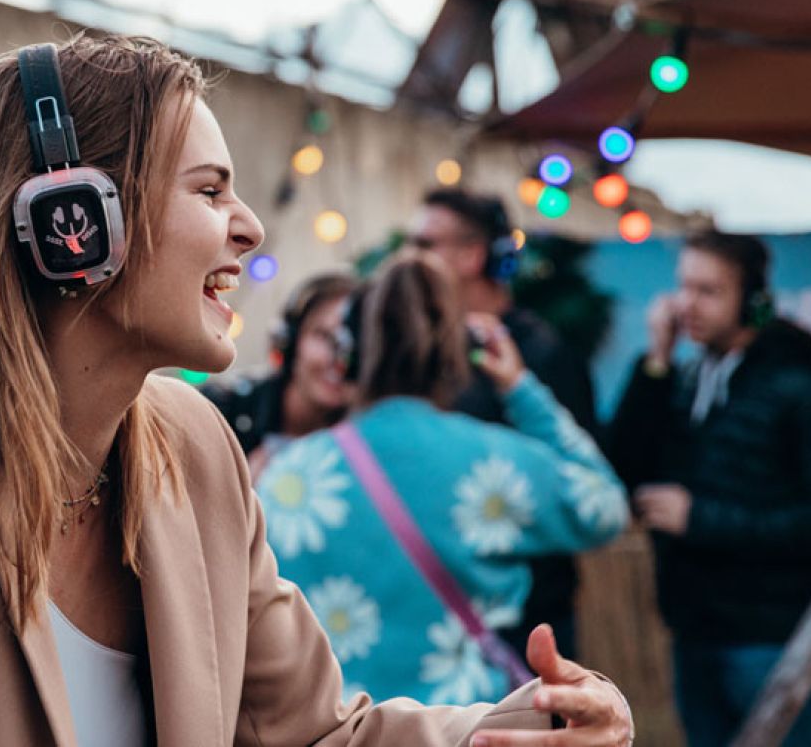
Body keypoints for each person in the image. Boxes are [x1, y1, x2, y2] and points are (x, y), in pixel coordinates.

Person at [0, 35, 633, 746]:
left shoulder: (196, 450)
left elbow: (309, 733)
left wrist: (495, 732)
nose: (249, 227)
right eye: (210, 191)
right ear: (70, 227)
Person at [256, 250, 628, 707]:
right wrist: (519, 388)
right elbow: (605, 505)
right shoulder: (494, 465)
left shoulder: (286, 479)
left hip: (337, 729)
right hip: (465, 727)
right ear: (459, 352)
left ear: (349, 355)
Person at [605, 228, 811, 747]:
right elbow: (625, 467)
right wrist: (655, 363)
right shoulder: (686, 376)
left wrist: (699, 519)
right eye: (683, 287)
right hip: (695, 629)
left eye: (708, 291)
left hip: (774, 637)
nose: (688, 305)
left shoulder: (804, 386)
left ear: (752, 301)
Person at [408, 189, 599, 659]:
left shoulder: (543, 354)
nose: (410, 258)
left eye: (425, 243)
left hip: (528, 617)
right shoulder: (427, 350)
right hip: (442, 610)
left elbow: (580, 485)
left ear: (472, 255)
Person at [201, 271, 356, 476]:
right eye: (325, 336)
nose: (339, 359)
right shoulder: (219, 412)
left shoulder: (364, 442)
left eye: (353, 344)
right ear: (289, 342)